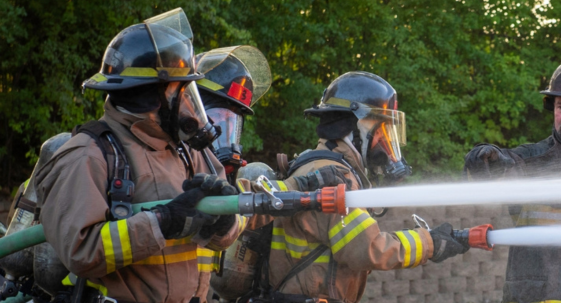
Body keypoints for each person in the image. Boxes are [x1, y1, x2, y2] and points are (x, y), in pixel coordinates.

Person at [35, 9, 242, 303]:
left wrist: (224, 222)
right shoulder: (88, 155)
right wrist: (162, 222)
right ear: (151, 97)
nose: (188, 103)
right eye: (181, 92)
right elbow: (80, 252)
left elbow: (222, 239)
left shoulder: (187, 152)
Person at [248, 71, 469, 303]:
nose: (384, 143)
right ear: (356, 128)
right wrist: (429, 242)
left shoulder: (319, 166)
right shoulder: (331, 178)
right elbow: (368, 249)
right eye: (381, 131)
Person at [464, 65, 561, 303]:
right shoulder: (531, 157)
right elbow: (506, 163)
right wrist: (486, 159)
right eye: (560, 106)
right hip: (537, 295)